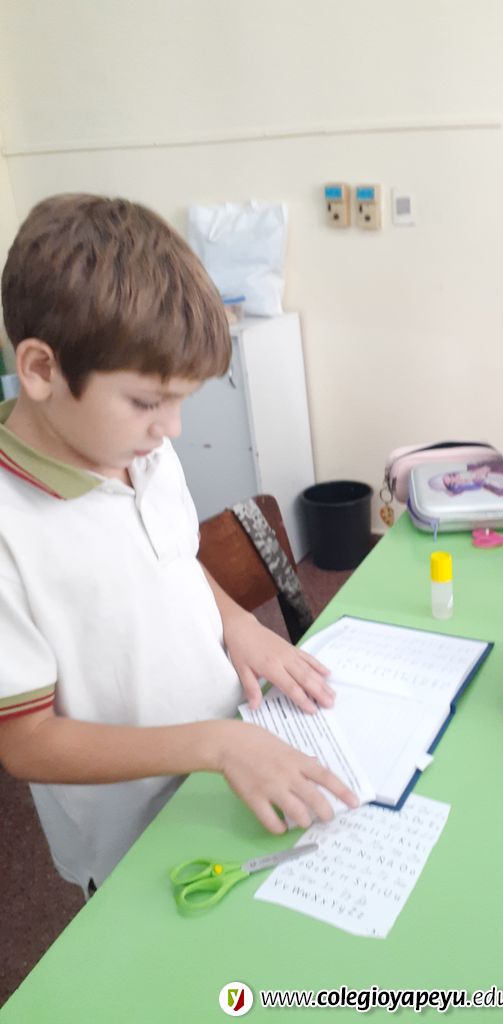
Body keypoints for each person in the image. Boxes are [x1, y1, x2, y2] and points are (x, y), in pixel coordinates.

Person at [0, 194, 357, 895]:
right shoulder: (13, 526)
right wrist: (214, 744)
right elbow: (26, 742)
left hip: (228, 765)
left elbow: (172, 558)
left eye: (182, 400)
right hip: (132, 836)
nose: (174, 428)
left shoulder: (143, 451)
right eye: (147, 401)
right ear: (41, 370)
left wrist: (235, 623)